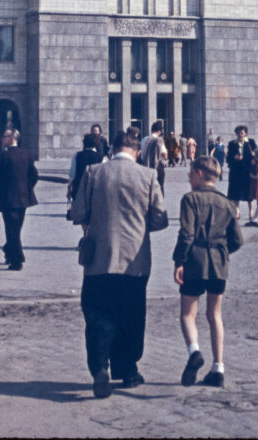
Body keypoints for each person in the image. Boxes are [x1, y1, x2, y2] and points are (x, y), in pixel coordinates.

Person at [71, 130, 168, 398]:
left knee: (98, 314)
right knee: (131, 315)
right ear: (137, 152)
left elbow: (77, 211)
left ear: (112, 150)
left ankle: (100, 367)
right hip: (135, 263)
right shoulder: (148, 176)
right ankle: (128, 372)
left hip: (99, 260)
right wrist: (139, 225)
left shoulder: (93, 172)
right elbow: (160, 219)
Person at [173, 155, 243, 389]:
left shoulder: (190, 199)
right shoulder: (227, 204)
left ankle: (194, 352)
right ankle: (218, 368)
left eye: (191, 172)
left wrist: (178, 261)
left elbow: (186, 235)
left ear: (200, 174)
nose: (189, 177)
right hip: (219, 264)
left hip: (194, 262)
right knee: (215, 315)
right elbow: (238, 240)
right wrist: (222, 252)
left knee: (187, 315)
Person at [0, 129, 38, 270]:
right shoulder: (27, 154)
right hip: (24, 198)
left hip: (7, 198)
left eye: (4, 136)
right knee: (16, 228)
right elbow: (34, 175)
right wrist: (27, 188)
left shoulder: (2, 157)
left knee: (12, 229)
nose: (1, 138)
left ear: (12, 138)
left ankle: (17, 260)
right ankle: (9, 251)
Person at [226, 125, 255, 220]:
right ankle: (237, 212)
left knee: (249, 193)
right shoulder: (232, 144)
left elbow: (255, 156)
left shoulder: (251, 143)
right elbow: (228, 158)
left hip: (247, 171)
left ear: (245, 133)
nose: (240, 135)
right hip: (236, 172)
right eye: (238, 133)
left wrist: (246, 158)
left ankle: (251, 211)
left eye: (242, 133)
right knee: (236, 193)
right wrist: (234, 158)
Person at [67, 133, 103, 203]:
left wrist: (69, 189)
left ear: (84, 143)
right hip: (94, 189)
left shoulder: (77, 155)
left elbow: (72, 174)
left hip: (78, 188)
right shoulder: (100, 157)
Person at [143, 120, 168, 196]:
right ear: (159, 131)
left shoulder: (144, 139)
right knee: (160, 186)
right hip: (157, 166)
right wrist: (165, 160)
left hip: (145, 166)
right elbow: (164, 154)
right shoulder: (159, 140)